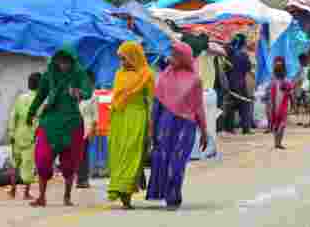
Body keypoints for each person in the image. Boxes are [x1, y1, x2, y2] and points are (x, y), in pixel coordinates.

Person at [26, 46, 93, 208]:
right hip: (50, 121)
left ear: (72, 61)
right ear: (56, 60)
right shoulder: (49, 75)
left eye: (67, 61)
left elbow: (87, 91)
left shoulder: (79, 73)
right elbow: (40, 95)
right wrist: (31, 112)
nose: (63, 65)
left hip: (72, 123)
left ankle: (67, 196)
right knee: (42, 159)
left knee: (70, 164)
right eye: (60, 61)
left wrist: (79, 93)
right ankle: (41, 197)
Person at [147, 41, 208, 211]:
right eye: (171, 54)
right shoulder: (164, 76)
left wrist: (203, 131)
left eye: (175, 55)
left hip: (185, 127)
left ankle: (174, 193)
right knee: (164, 161)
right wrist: (151, 129)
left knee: (177, 162)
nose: (171, 58)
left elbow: (199, 107)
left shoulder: (195, 80)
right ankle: (170, 195)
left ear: (184, 57)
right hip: (165, 125)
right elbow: (156, 105)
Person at [107, 41, 155, 209]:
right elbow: (116, 97)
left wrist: (150, 124)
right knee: (118, 153)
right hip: (119, 118)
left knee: (132, 153)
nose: (123, 63)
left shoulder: (147, 74)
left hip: (137, 117)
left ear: (134, 57)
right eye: (121, 59)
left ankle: (125, 193)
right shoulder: (119, 74)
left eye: (125, 58)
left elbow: (150, 100)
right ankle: (117, 188)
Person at [8, 72, 41, 200]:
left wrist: (11, 132)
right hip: (31, 136)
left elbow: (13, 116)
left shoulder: (20, 98)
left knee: (15, 163)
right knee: (29, 164)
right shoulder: (40, 100)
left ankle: (12, 190)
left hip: (17, 134)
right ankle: (26, 193)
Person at [223, 34, 254, 134]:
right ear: (243, 44)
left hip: (230, 83)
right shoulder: (244, 55)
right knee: (244, 105)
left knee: (230, 106)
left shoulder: (228, 54)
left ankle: (229, 128)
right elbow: (248, 69)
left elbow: (224, 68)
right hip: (241, 83)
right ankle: (246, 128)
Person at [76, 71, 99, 188]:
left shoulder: (94, 96)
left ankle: (83, 179)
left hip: (86, 128)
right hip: (74, 127)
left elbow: (95, 117)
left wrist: (93, 132)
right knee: (76, 154)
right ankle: (77, 178)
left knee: (84, 154)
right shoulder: (77, 93)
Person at [265, 56, 293, 149]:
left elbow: (268, 95)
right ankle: (279, 142)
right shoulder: (287, 82)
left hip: (274, 107)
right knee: (282, 124)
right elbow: (290, 95)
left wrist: (268, 105)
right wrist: (294, 105)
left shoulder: (272, 83)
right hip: (283, 106)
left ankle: (276, 142)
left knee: (276, 124)